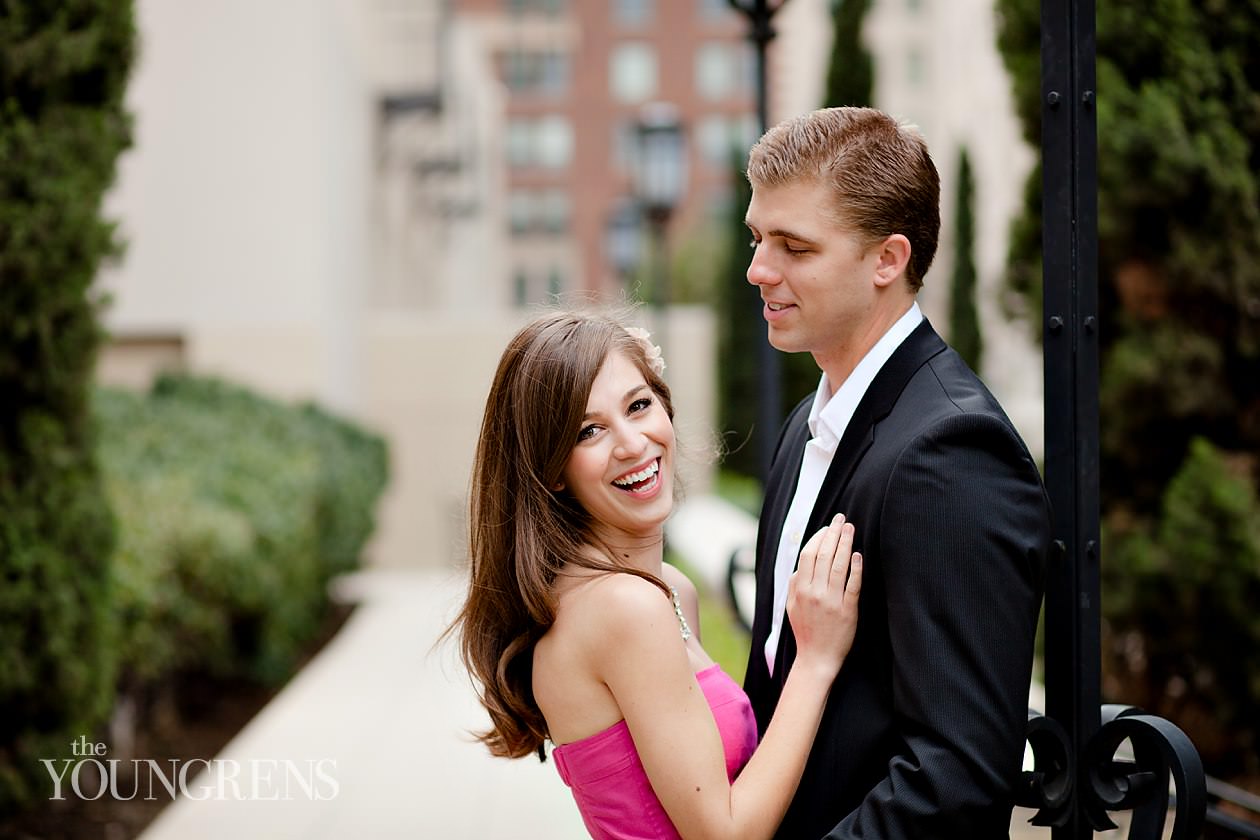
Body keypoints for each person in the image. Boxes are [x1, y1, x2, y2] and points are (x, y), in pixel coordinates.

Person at [741, 106, 1052, 838]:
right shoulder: (806, 424)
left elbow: (959, 776)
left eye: (795, 247)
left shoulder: (952, 450)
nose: (758, 269)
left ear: (888, 260)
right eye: (758, 238)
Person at [450, 311, 862, 840]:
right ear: (550, 470)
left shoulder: (667, 590)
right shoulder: (625, 608)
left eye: (639, 406)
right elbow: (726, 833)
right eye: (589, 430)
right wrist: (816, 660)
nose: (632, 443)